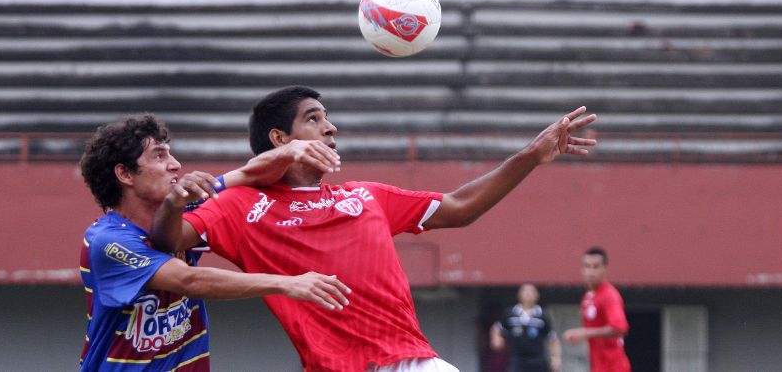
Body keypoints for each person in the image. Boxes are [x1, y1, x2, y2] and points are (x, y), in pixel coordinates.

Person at [150, 85, 598, 371]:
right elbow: (166, 243)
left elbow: (460, 207)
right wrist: (176, 200)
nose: (331, 126)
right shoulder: (240, 205)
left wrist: (530, 157)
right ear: (279, 141)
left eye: (328, 117)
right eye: (314, 118)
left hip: (409, 360)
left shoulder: (364, 195)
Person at [78, 113, 352, 371]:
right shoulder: (108, 242)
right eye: (159, 156)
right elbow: (189, 281)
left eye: (170, 153)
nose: (175, 164)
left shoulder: (183, 209)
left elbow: (249, 174)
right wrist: (286, 282)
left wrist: (289, 151)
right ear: (125, 174)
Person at [562, 247, 631, 372]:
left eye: (595, 267)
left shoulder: (609, 295)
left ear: (605, 269)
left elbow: (620, 327)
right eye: (587, 266)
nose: (591, 272)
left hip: (614, 367)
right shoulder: (588, 297)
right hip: (598, 365)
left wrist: (584, 333)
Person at [490, 283, 562, 372]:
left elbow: (553, 339)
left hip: (538, 360)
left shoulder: (542, 316)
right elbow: (497, 328)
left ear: (537, 295)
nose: (528, 294)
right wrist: (496, 339)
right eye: (525, 291)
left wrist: (556, 358)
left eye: (531, 291)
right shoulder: (510, 313)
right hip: (517, 359)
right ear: (519, 294)